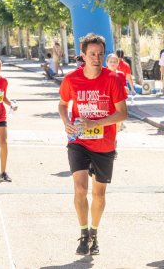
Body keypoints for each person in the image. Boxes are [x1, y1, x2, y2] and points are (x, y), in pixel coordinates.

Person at [58, 33, 127, 255]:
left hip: (104, 144)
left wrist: (95, 122)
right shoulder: (71, 79)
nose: (96, 58)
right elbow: (62, 104)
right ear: (83, 55)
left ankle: (95, 233)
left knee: (99, 194)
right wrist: (67, 121)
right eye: (92, 54)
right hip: (78, 141)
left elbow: (122, 114)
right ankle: (83, 232)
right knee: (79, 188)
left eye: (100, 54)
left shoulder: (113, 79)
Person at [106, 53, 128, 131]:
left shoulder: (121, 74)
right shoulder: (103, 74)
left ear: (118, 63)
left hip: (118, 101)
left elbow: (124, 87)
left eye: (115, 61)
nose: (112, 63)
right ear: (107, 63)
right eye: (110, 61)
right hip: (106, 102)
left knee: (117, 123)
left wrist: (125, 89)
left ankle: (114, 139)